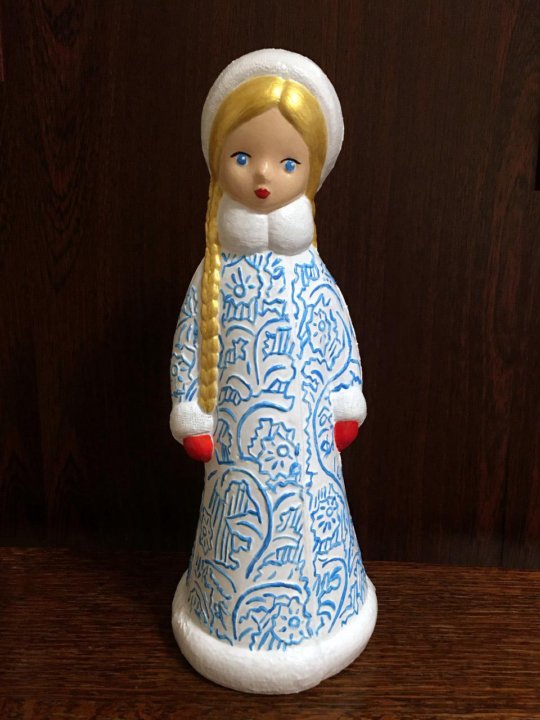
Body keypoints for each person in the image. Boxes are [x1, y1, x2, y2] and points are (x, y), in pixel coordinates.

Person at [170, 49, 377, 694]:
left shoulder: (312, 272)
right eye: (244, 156)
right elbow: (189, 341)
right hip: (237, 451)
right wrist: (190, 409)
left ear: (309, 173)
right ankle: (230, 616)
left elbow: (338, 333)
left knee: (312, 518)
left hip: (309, 449)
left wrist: (346, 397)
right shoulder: (213, 277)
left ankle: (322, 608)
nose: (264, 175)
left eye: (288, 162)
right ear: (219, 162)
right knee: (236, 520)